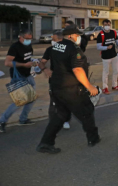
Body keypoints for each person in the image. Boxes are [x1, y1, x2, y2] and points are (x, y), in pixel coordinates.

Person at [36, 25, 100, 154]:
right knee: (86, 112)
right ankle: (93, 139)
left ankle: (45, 142)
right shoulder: (73, 49)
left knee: (60, 115)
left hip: (56, 87)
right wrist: (89, 86)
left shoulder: (53, 47)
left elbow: (42, 61)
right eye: (77, 35)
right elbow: (77, 69)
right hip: (72, 89)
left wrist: (45, 70)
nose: (79, 38)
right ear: (71, 36)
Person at [0, 30, 37, 133]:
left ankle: (23, 119)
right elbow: (7, 63)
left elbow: (27, 58)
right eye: (27, 39)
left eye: (30, 39)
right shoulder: (15, 47)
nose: (29, 41)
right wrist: (24, 65)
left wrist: (32, 64)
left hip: (28, 75)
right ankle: (1, 122)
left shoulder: (28, 46)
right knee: (20, 101)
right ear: (20, 37)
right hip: (18, 77)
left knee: (31, 98)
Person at [39, 30, 72, 130]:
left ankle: (65, 120)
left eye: (53, 39)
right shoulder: (50, 49)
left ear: (60, 39)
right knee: (53, 103)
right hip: (54, 80)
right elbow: (42, 62)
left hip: (68, 80)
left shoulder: (70, 49)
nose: (52, 41)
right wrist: (45, 69)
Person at [96, 19, 118, 94]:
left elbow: (116, 40)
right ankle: (105, 87)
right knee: (106, 72)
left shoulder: (113, 32)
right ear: (103, 25)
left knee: (115, 71)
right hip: (105, 56)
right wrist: (106, 48)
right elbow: (98, 47)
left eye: (108, 24)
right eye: (105, 25)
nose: (107, 26)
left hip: (114, 55)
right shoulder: (101, 34)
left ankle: (115, 85)